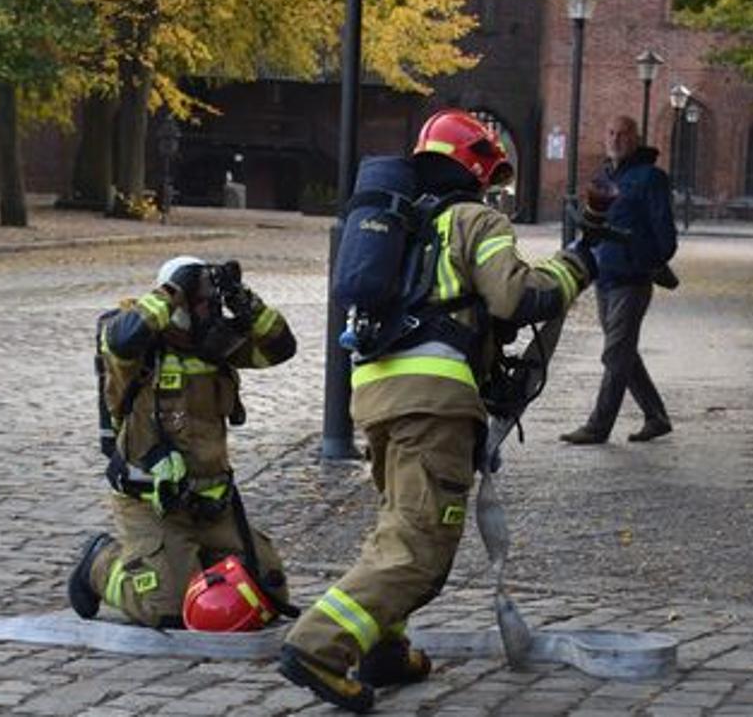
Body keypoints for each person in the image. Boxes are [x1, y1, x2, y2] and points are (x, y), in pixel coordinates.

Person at [278, 110, 596, 713]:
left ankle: (384, 649)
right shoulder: (474, 220)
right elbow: (518, 296)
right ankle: (319, 646)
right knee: (421, 548)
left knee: (398, 524)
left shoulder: (399, 225)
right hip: (434, 403)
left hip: (377, 396)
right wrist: (577, 265)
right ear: (476, 168)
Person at [66, 256, 298, 628]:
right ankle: (99, 564)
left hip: (213, 505)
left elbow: (281, 347)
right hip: (153, 505)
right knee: (168, 608)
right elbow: (123, 340)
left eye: (211, 302)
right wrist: (173, 290)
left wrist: (242, 300)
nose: (207, 311)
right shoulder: (138, 347)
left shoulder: (215, 346)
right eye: (199, 302)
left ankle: (190, 562)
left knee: (268, 592)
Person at [560, 116, 677, 445]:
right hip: (605, 279)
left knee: (614, 354)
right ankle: (656, 416)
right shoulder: (605, 176)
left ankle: (598, 427)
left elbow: (665, 238)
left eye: (624, 134)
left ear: (636, 138)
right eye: (611, 132)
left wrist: (642, 260)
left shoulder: (651, 178)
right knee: (624, 353)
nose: (616, 138)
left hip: (632, 280)